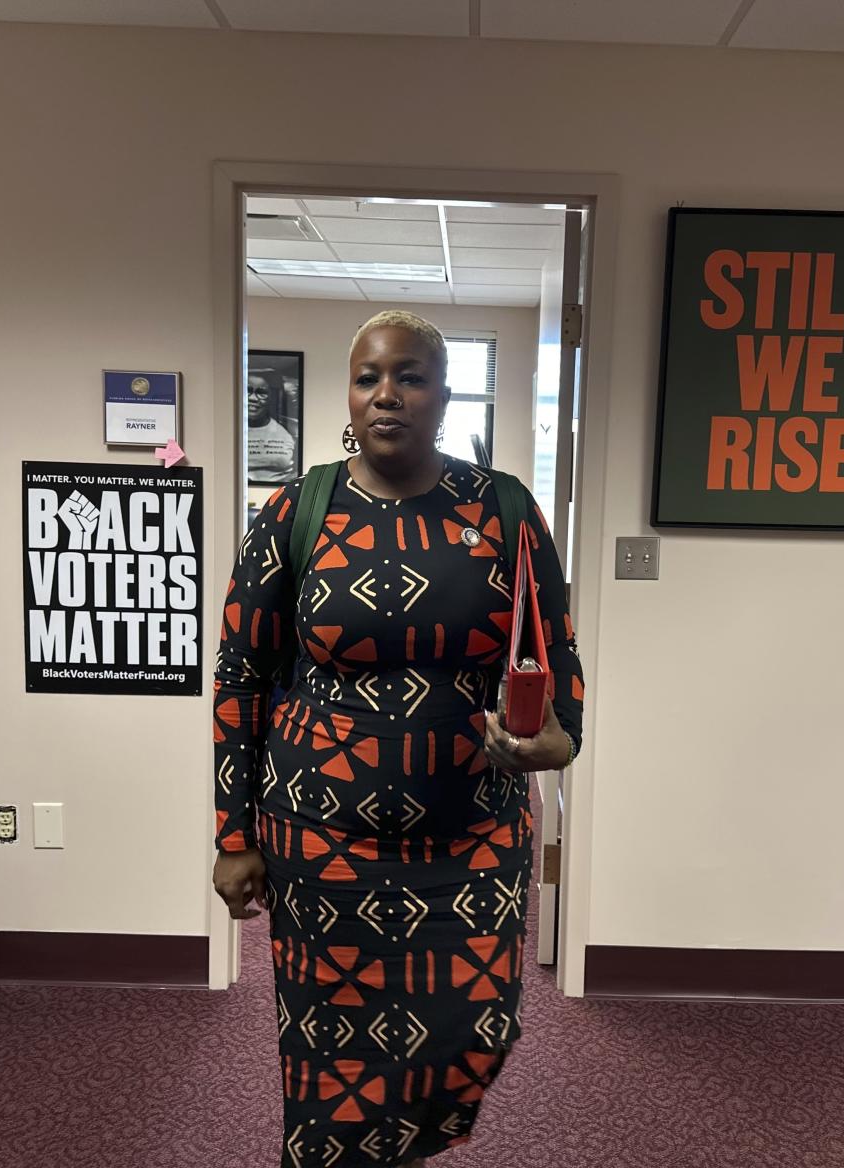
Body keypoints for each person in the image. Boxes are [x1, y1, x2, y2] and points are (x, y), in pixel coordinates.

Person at [213, 310, 584, 1168]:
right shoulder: (295, 512)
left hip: (474, 837)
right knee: (332, 1057)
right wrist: (235, 836)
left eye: (410, 376)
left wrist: (557, 742)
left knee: (474, 1030)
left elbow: (555, 657)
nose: (388, 394)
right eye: (370, 377)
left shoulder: (503, 510)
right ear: (350, 394)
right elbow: (239, 682)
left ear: (443, 395)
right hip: (323, 839)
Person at [248, 368, 298, 482]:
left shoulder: (292, 430)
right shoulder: (228, 433)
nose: (253, 398)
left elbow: (299, 472)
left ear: (272, 397)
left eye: (261, 393)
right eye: (248, 391)